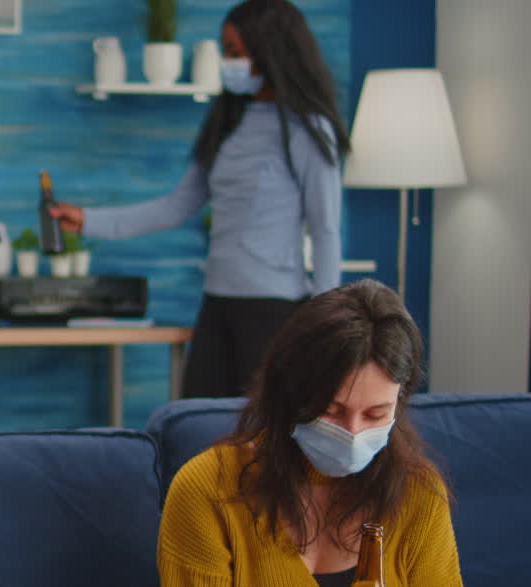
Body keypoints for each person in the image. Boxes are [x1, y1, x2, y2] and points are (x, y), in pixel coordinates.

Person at [148, 279, 478, 587]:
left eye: (376, 414)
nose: (354, 432)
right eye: (333, 411)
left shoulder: (417, 492)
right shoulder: (208, 488)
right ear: (288, 394)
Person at [54, 0, 348, 400]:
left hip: (274, 310)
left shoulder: (307, 129)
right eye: (225, 50)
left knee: (263, 436)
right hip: (217, 304)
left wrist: (324, 326)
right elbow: (177, 205)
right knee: (197, 425)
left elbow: (327, 230)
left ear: (270, 50)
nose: (228, 62)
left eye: (234, 52)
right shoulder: (228, 122)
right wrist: (87, 220)